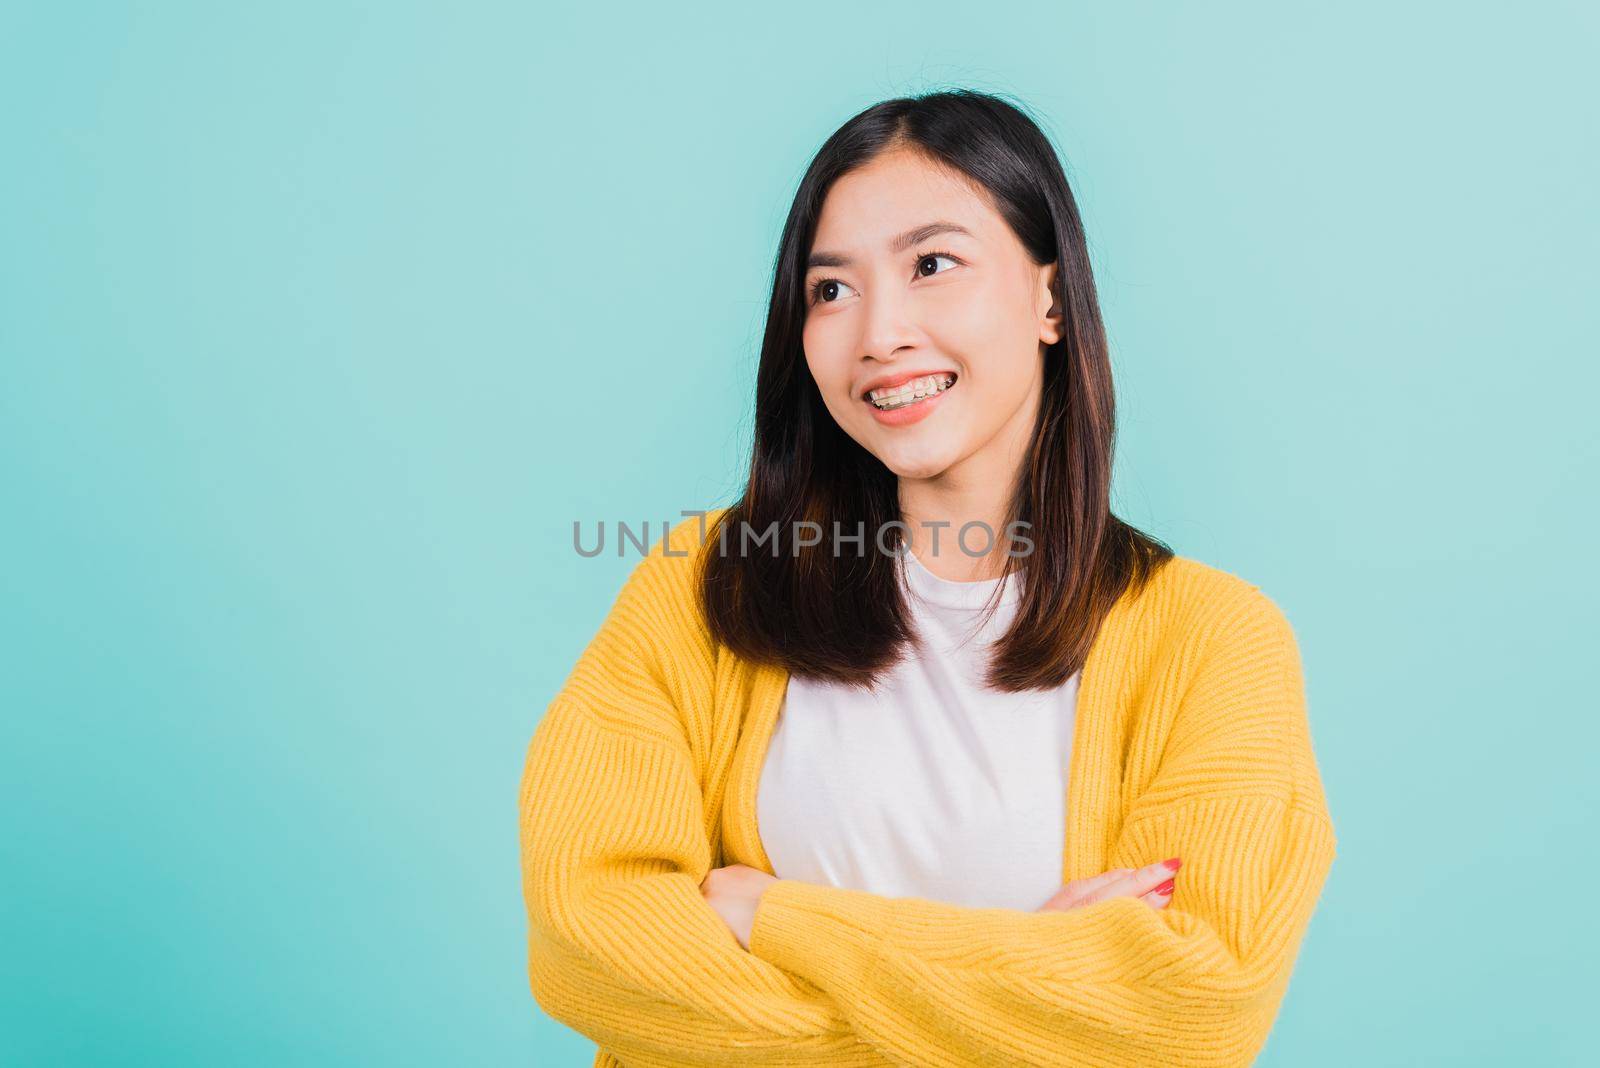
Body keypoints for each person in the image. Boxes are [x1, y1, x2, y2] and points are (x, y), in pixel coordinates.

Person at [520, 89, 1336, 1067]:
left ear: (1048, 296)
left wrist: (768, 913)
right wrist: (1026, 992)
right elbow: (589, 939)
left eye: (931, 265)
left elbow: (1186, 1010)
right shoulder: (704, 591)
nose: (877, 333)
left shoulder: (1213, 641)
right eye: (831, 289)